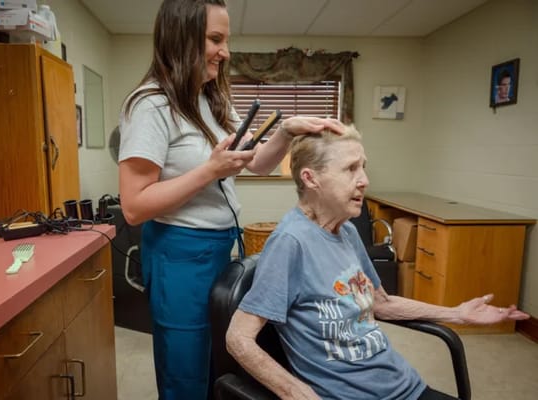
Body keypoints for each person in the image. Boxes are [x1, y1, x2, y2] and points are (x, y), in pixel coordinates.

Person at [117, 0, 346, 398]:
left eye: (226, 40)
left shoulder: (208, 100)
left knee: (216, 361)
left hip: (221, 246)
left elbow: (254, 163)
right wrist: (210, 169)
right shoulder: (151, 104)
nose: (225, 52)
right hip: (180, 254)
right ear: (181, 38)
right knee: (185, 371)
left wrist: (287, 131)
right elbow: (134, 206)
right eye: (215, 39)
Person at [226, 127, 530, 400]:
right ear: (310, 178)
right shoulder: (290, 242)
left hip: (404, 385)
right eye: (350, 169)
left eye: (364, 167)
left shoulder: (345, 229)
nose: (364, 181)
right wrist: (297, 393)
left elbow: (381, 303)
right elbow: (238, 338)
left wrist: (458, 313)